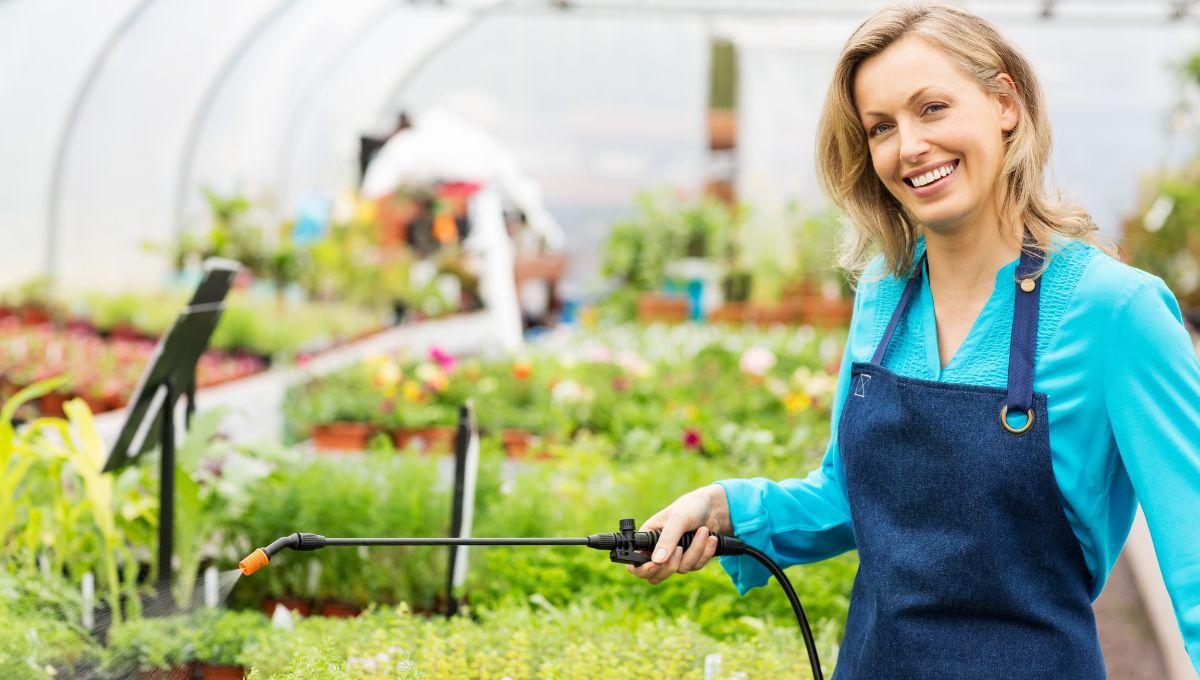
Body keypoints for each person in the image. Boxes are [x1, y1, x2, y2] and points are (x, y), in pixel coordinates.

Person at [627, 4, 1200, 677]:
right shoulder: (883, 293)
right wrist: (724, 508)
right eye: (881, 127)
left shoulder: (1115, 312)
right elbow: (848, 499)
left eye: (932, 108)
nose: (909, 146)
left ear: (1005, 103)